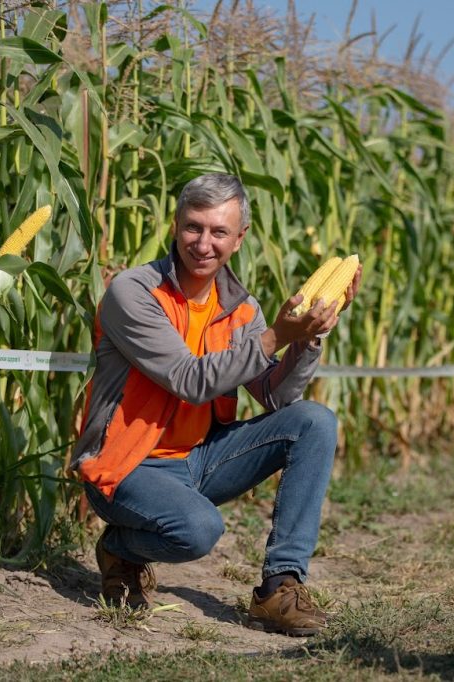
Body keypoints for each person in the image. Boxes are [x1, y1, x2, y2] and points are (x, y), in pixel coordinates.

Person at [70, 173, 361, 636]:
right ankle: (122, 549)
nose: (203, 243)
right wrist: (277, 336)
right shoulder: (134, 293)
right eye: (193, 227)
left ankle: (279, 588)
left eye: (219, 231)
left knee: (313, 421)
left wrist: (309, 338)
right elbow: (189, 380)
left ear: (239, 238)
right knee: (199, 531)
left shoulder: (242, 309)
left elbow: (276, 396)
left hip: (201, 458)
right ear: (175, 225)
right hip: (127, 467)